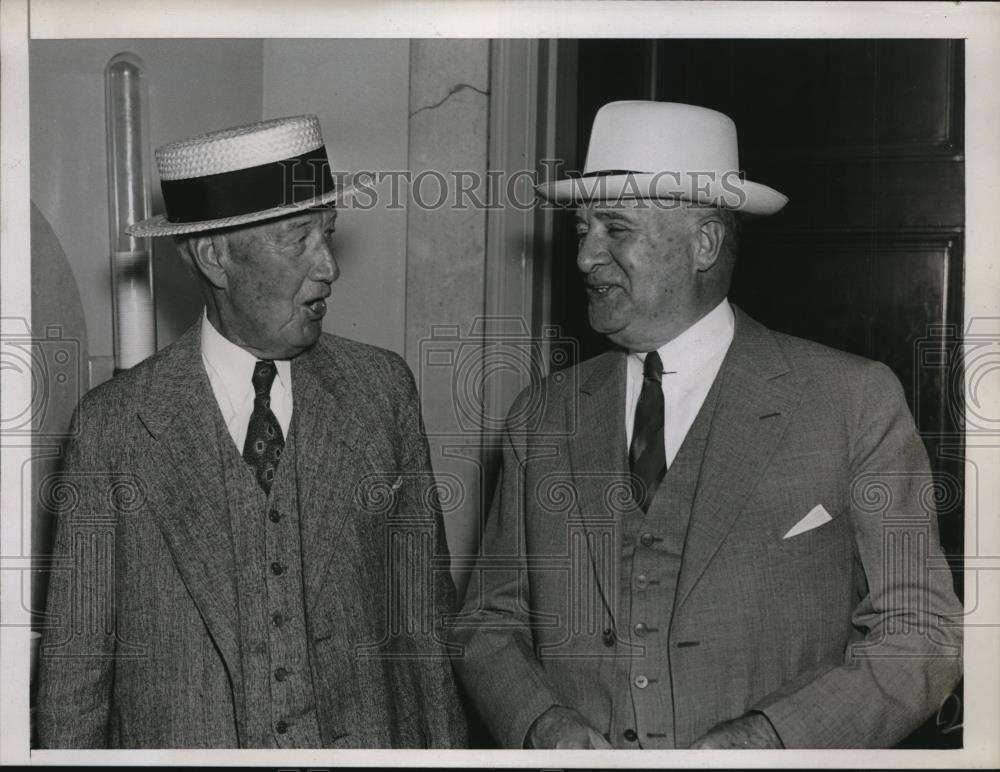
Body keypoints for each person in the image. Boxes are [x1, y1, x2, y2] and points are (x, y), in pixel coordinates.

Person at [449, 101, 963, 749]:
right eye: (582, 230)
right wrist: (541, 725)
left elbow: (922, 633)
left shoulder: (853, 401)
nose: (584, 257)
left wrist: (768, 741)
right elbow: (489, 622)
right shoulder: (542, 416)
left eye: (615, 229)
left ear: (705, 243)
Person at [36, 114, 467, 748]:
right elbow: (75, 681)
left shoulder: (382, 393)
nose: (329, 269)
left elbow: (427, 631)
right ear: (215, 258)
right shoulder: (114, 429)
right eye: (298, 240)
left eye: (329, 235)